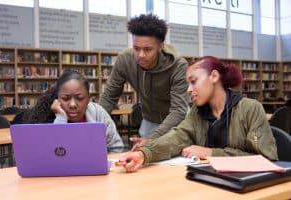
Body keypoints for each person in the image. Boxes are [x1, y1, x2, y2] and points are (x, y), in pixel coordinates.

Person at [116, 56, 278, 172]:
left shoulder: (251, 109)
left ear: (214, 76)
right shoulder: (197, 112)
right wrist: (143, 154)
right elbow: (176, 138)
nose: (188, 90)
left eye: (193, 81)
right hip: (208, 183)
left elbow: (266, 159)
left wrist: (211, 153)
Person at [99, 14, 189, 140]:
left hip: (177, 121)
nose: (141, 55)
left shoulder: (178, 65)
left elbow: (179, 111)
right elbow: (108, 97)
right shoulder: (125, 60)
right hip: (149, 120)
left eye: (148, 49)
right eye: (136, 48)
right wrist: (95, 126)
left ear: (160, 46)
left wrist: (152, 140)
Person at [27, 70, 124, 153]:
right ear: (57, 98)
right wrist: (61, 119)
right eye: (65, 98)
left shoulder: (98, 113)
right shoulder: (46, 116)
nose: (72, 104)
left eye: (80, 98)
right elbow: (51, 154)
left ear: (88, 99)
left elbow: (117, 148)